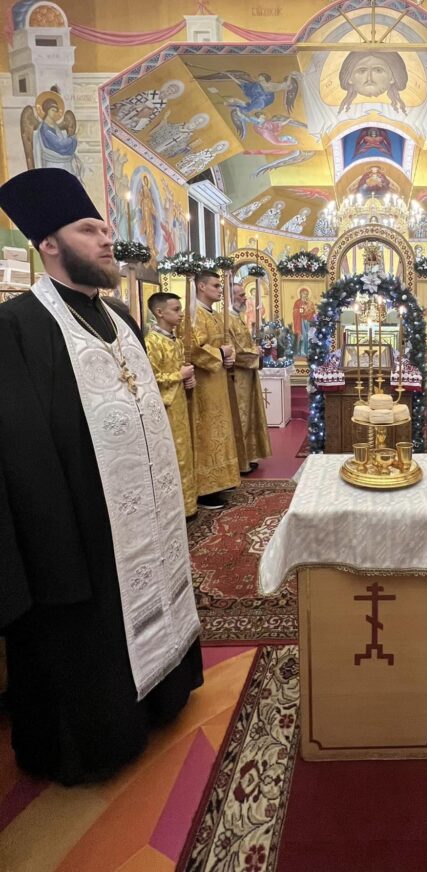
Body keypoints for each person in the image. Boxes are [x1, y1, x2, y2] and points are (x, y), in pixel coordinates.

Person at [0, 168, 202, 786]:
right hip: (80, 530)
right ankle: (98, 741)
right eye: (89, 230)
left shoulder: (119, 317)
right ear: (49, 244)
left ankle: (161, 698)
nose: (107, 239)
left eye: (106, 228)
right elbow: (19, 453)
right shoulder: (17, 328)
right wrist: (54, 554)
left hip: (144, 514)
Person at [145, 292, 197, 518]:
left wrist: (188, 381)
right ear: (159, 312)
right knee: (173, 455)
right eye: (176, 309)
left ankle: (188, 504)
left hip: (180, 406)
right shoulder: (151, 343)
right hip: (166, 410)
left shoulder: (176, 340)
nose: (181, 314)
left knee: (184, 453)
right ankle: (175, 509)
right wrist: (179, 376)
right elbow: (149, 379)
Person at [192, 270, 241, 508]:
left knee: (221, 429)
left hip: (219, 381)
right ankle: (206, 488)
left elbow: (227, 344)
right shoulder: (194, 315)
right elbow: (193, 348)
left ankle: (222, 479)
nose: (220, 290)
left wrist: (230, 356)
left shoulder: (216, 314)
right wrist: (221, 353)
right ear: (201, 287)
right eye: (215, 285)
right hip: (204, 385)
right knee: (208, 431)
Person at [228, 283, 272, 473]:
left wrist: (255, 349)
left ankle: (248, 456)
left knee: (250, 415)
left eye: (244, 294)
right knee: (241, 417)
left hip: (247, 375)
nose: (245, 298)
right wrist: (255, 353)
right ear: (229, 296)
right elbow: (234, 351)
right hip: (237, 378)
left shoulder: (236, 318)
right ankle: (240, 462)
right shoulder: (227, 320)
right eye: (241, 295)